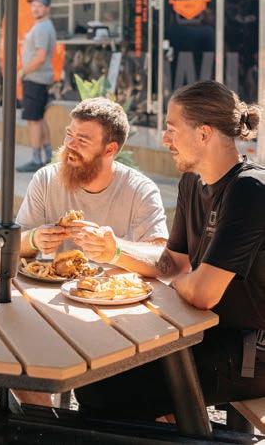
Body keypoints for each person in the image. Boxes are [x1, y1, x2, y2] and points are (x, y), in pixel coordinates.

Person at [75, 80, 265, 421]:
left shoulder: (249, 189)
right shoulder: (193, 181)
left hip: (250, 351)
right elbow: (172, 263)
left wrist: (182, 282)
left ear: (204, 134)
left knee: (102, 391)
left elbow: (203, 293)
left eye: (172, 129)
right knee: (94, 370)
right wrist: (114, 251)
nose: (165, 139)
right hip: (204, 330)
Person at [17, 97, 168, 259]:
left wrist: (115, 250)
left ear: (110, 150)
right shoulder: (46, 180)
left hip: (115, 276)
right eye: (69, 134)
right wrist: (33, 239)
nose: (70, 144)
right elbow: (12, 244)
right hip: (55, 276)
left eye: (82, 140)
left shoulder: (141, 191)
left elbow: (160, 255)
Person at [16, 0, 57, 173]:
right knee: (39, 118)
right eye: (33, 5)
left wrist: (23, 72)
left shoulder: (42, 28)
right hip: (39, 79)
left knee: (33, 120)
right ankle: (48, 157)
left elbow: (40, 57)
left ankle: (36, 159)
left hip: (36, 78)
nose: (35, 9)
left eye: (39, 6)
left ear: (47, 8)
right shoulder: (44, 26)